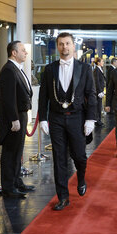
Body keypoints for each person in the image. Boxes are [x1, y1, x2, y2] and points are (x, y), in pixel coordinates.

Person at [39, 32, 97, 211]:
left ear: (74, 46)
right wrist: (42, 118)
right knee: (59, 158)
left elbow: (91, 95)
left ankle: (81, 176)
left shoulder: (85, 68)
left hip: (77, 117)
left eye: (67, 44)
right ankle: (63, 196)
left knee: (79, 155)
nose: (64, 47)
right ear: (57, 47)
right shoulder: (49, 69)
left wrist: (90, 119)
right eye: (61, 44)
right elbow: (43, 97)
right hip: (56, 119)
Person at [0, 41, 34, 198]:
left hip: (21, 114)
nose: (25, 53)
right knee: (10, 153)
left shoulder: (16, 69)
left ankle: (16, 181)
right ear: (14, 53)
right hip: (14, 118)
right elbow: (8, 98)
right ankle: (8, 187)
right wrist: (14, 119)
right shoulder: (8, 70)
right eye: (23, 50)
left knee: (17, 151)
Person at [93, 56, 106, 127]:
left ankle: (99, 120)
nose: (103, 62)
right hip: (98, 91)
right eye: (102, 61)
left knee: (99, 106)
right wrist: (99, 91)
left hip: (101, 90)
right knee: (98, 106)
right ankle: (97, 121)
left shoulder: (100, 69)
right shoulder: (96, 70)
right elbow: (96, 81)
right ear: (98, 62)